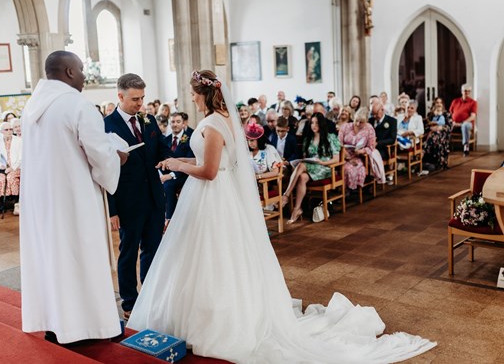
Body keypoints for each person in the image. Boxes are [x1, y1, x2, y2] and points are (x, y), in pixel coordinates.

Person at [128, 70, 435, 363]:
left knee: (210, 256)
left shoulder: (210, 124)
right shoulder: (226, 120)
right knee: (222, 256)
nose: (191, 98)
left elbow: (208, 171)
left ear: (204, 95)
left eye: (193, 94)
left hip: (210, 196)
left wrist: (178, 166)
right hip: (219, 196)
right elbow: (210, 160)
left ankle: (212, 321)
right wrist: (176, 159)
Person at [19, 51, 126, 344]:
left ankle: (56, 323)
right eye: (80, 70)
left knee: (53, 260)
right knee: (81, 258)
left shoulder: (32, 107)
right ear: (68, 71)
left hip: (43, 201)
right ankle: (87, 328)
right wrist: (118, 157)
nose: (83, 76)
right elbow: (100, 155)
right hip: (74, 200)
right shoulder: (78, 105)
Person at [104, 73, 170, 320]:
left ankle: (150, 296)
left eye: (142, 98)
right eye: (134, 99)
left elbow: (161, 148)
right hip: (127, 200)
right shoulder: (106, 125)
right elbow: (104, 172)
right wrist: (112, 210)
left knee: (152, 250)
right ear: (120, 96)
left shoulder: (149, 120)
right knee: (129, 252)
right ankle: (130, 302)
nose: (140, 104)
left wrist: (170, 161)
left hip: (154, 197)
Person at [281, 113, 341, 224]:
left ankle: (286, 195)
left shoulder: (331, 137)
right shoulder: (308, 139)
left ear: (322, 124)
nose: (314, 125)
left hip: (326, 167)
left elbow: (336, 159)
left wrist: (323, 162)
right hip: (312, 167)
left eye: (317, 123)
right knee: (302, 176)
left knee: (301, 166)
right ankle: (297, 209)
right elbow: (305, 157)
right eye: (312, 123)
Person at [161, 112, 194, 224]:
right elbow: (162, 159)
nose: (175, 124)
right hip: (168, 174)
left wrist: (170, 176)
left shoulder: (190, 139)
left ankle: (170, 218)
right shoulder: (165, 140)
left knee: (168, 185)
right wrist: (162, 174)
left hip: (185, 174)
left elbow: (190, 160)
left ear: (183, 123)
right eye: (173, 122)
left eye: (178, 122)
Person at [338, 108, 377, 191]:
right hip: (342, 155)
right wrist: (347, 157)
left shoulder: (369, 129)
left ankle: (351, 190)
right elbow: (338, 143)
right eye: (356, 120)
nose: (358, 124)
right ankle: (343, 192)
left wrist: (361, 151)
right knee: (346, 168)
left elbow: (371, 147)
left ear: (366, 121)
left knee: (356, 169)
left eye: (361, 122)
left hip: (358, 156)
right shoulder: (345, 126)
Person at [0, 122, 22, 215]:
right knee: (0, 179)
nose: (9, 131)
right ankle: (1, 204)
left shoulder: (19, 141)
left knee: (11, 177)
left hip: (17, 168)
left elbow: (21, 158)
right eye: (6, 130)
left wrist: (12, 168)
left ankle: (16, 202)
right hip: (3, 168)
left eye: (11, 129)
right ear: (1, 131)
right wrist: (1, 165)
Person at [449, 84, 477, 156]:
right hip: (455, 123)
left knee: (464, 125)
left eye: (468, 91)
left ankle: (466, 146)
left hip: (467, 123)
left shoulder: (473, 102)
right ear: (461, 91)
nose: (466, 93)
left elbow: (473, 116)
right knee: (445, 125)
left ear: (470, 92)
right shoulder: (455, 101)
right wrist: (453, 122)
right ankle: (445, 147)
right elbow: (450, 114)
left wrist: (462, 122)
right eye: (465, 91)